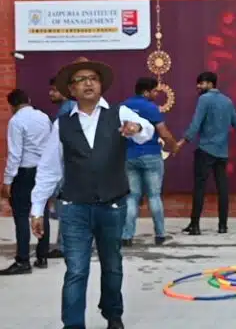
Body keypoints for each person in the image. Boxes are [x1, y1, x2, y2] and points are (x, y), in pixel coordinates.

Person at [30, 57, 154, 329]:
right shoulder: (62, 124)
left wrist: (137, 128)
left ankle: (113, 314)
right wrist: (37, 209)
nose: (88, 83)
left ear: (101, 85)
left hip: (112, 205)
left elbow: (147, 131)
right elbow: (49, 169)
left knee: (112, 265)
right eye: (81, 80)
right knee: (76, 269)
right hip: (74, 207)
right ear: (71, 90)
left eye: (93, 79)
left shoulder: (120, 113)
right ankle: (73, 324)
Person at [177, 72, 236, 235]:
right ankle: (222, 225)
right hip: (222, 152)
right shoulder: (227, 101)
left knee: (199, 188)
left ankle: (195, 225)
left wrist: (181, 142)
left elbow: (195, 124)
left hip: (205, 150)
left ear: (210, 84)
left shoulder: (204, 99)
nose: (198, 87)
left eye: (201, 83)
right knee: (223, 189)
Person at [121, 77, 179, 246]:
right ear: (146, 92)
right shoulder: (151, 108)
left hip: (129, 156)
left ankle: (127, 236)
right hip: (151, 155)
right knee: (154, 195)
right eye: (154, 91)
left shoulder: (123, 107)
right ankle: (160, 235)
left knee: (132, 197)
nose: (156, 94)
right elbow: (164, 133)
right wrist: (174, 146)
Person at [0, 90, 52, 275]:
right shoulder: (43, 117)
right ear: (28, 100)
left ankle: (23, 260)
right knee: (42, 211)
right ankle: (42, 256)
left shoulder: (16, 121)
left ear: (12, 106)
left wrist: (7, 180)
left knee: (21, 215)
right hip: (42, 170)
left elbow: (15, 154)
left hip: (24, 172)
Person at [46, 78, 76, 259]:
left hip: (67, 166)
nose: (51, 93)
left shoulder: (67, 109)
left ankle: (65, 246)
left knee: (65, 207)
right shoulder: (69, 107)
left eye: (54, 90)